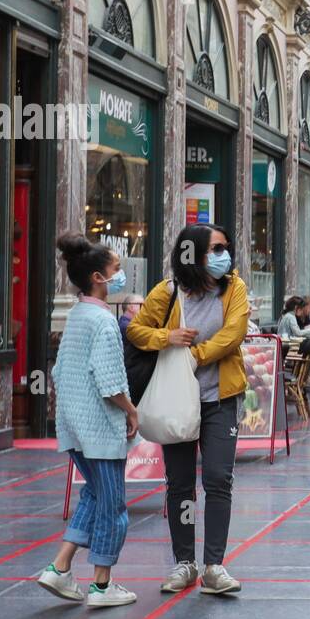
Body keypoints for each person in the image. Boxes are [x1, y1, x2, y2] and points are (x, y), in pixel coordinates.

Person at [127, 224, 249, 596]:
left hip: (220, 399)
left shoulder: (234, 289)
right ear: (192, 253)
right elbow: (136, 330)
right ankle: (184, 563)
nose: (223, 256)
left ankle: (214, 565)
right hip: (176, 400)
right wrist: (168, 337)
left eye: (225, 248)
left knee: (217, 478)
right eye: (215, 249)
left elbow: (234, 333)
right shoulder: (168, 291)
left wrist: (193, 356)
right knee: (179, 483)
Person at [38, 233, 139, 608]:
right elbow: (110, 382)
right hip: (100, 430)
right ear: (98, 276)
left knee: (94, 495)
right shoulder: (104, 322)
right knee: (113, 506)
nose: (120, 276)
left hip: (75, 428)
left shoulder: (76, 315)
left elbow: (60, 372)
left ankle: (60, 568)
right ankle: (101, 584)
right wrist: (131, 411)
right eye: (116, 270)